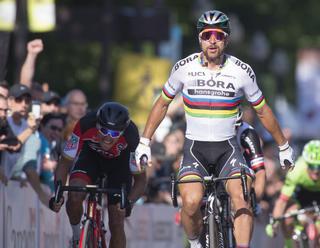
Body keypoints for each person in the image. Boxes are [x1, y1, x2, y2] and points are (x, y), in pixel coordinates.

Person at [135, 10, 295, 248]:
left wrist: (283, 146)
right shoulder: (183, 68)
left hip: (228, 150)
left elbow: (262, 110)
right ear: (200, 38)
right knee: (189, 203)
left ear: (226, 40)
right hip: (195, 150)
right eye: (207, 35)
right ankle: (196, 244)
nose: (212, 40)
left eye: (218, 35)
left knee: (241, 199)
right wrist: (144, 142)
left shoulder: (241, 71)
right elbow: (162, 103)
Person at [49, 102, 147, 248]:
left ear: (122, 131)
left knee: (117, 219)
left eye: (114, 133)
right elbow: (64, 163)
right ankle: (77, 238)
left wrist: (129, 201)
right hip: (91, 158)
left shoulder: (131, 136)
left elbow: (140, 181)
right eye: (103, 130)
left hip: (119, 166)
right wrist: (58, 194)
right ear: (97, 125)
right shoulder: (85, 124)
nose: (107, 137)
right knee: (75, 194)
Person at [266, 140, 320, 247]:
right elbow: (282, 201)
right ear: (306, 164)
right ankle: (289, 244)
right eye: (312, 167)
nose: (316, 172)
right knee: (288, 217)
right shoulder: (296, 171)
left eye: (319, 167)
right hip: (300, 196)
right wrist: (274, 223)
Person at [235, 109, 266, 202]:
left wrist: (255, 201)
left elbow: (260, 172)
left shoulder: (247, 132)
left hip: (238, 165)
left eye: (235, 127)